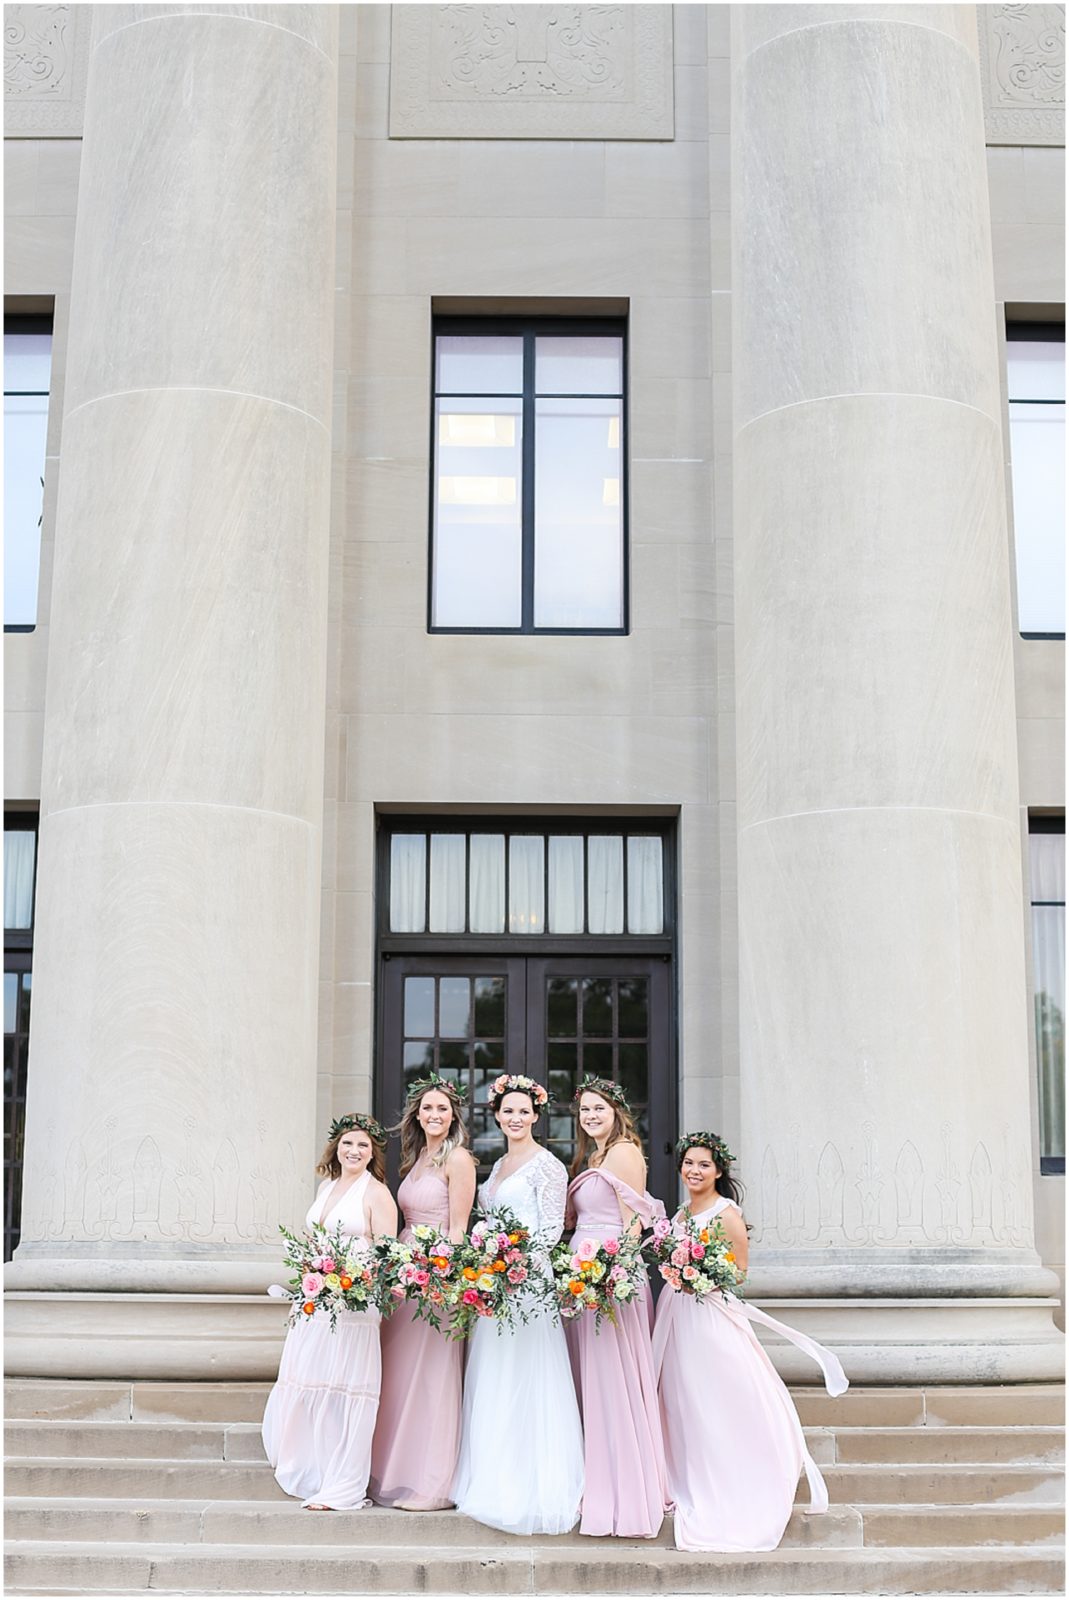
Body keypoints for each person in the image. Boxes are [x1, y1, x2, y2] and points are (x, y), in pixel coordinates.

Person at [653, 1132, 849, 1552]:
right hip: (677, 1313)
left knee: (721, 1394)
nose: (694, 1170)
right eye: (689, 1163)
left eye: (704, 1164)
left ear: (719, 1171)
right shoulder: (683, 1213)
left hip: (709, 1313)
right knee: (684, 1397)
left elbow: (740, 1271)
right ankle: (689, 1475)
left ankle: (747, 1474)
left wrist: (699, 1273)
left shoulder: (726, 1214)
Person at [452, 1074, 584, 1535]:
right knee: (495, 1374)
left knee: (526, 1375)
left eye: (523, 1111)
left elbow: (550, 1232)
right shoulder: (498, 1165)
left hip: (527, 1284)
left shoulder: (548, 1166)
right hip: (495, 1282)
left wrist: (512, 1259)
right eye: (508, 1111)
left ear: (536, 1114)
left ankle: (531, 1484)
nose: (515, 1117)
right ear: (497, 1114)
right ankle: (492, 1474)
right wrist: (488, 1260)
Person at [262, 1112, 397, 1510]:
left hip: (355, 1305)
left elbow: (388, 1256)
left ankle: (342, 1482)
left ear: (372, 1154)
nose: (354, 1151)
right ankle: (311, 1469)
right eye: (347, 1144)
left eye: (363, 1146)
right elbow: (311, 1241)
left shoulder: (377, 1194)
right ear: (335, 1148)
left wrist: (355, 1281)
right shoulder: (327, 1186)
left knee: (343, 1387)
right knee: (310, 1378)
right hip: (318, 1301)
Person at [565, 1075, 667, 1538]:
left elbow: (634, 1222)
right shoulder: (592, 1156)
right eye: (585, 1111)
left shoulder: (624, 1151)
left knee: (612, 1380)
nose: (591, 1117)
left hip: (608, 1278)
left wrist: (613, 1273)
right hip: (585, 1276)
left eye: (598, 1109)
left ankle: (621, 1488)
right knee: (592, 1379)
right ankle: (595, 1474)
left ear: (616, 1112)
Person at [369, 1073, 476, 1510]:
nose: (434, 1115)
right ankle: (394, 1470)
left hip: (435, 1273)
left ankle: (431, 1483)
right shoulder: (415, 1158)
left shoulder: (459, 1159)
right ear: (417, 1114)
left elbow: (458, 1227)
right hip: (404, 1271)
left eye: (442, 1109)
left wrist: (442, 1276)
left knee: (433, 1374)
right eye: (427, 1108)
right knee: (399, 1371)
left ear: (454, 1117)